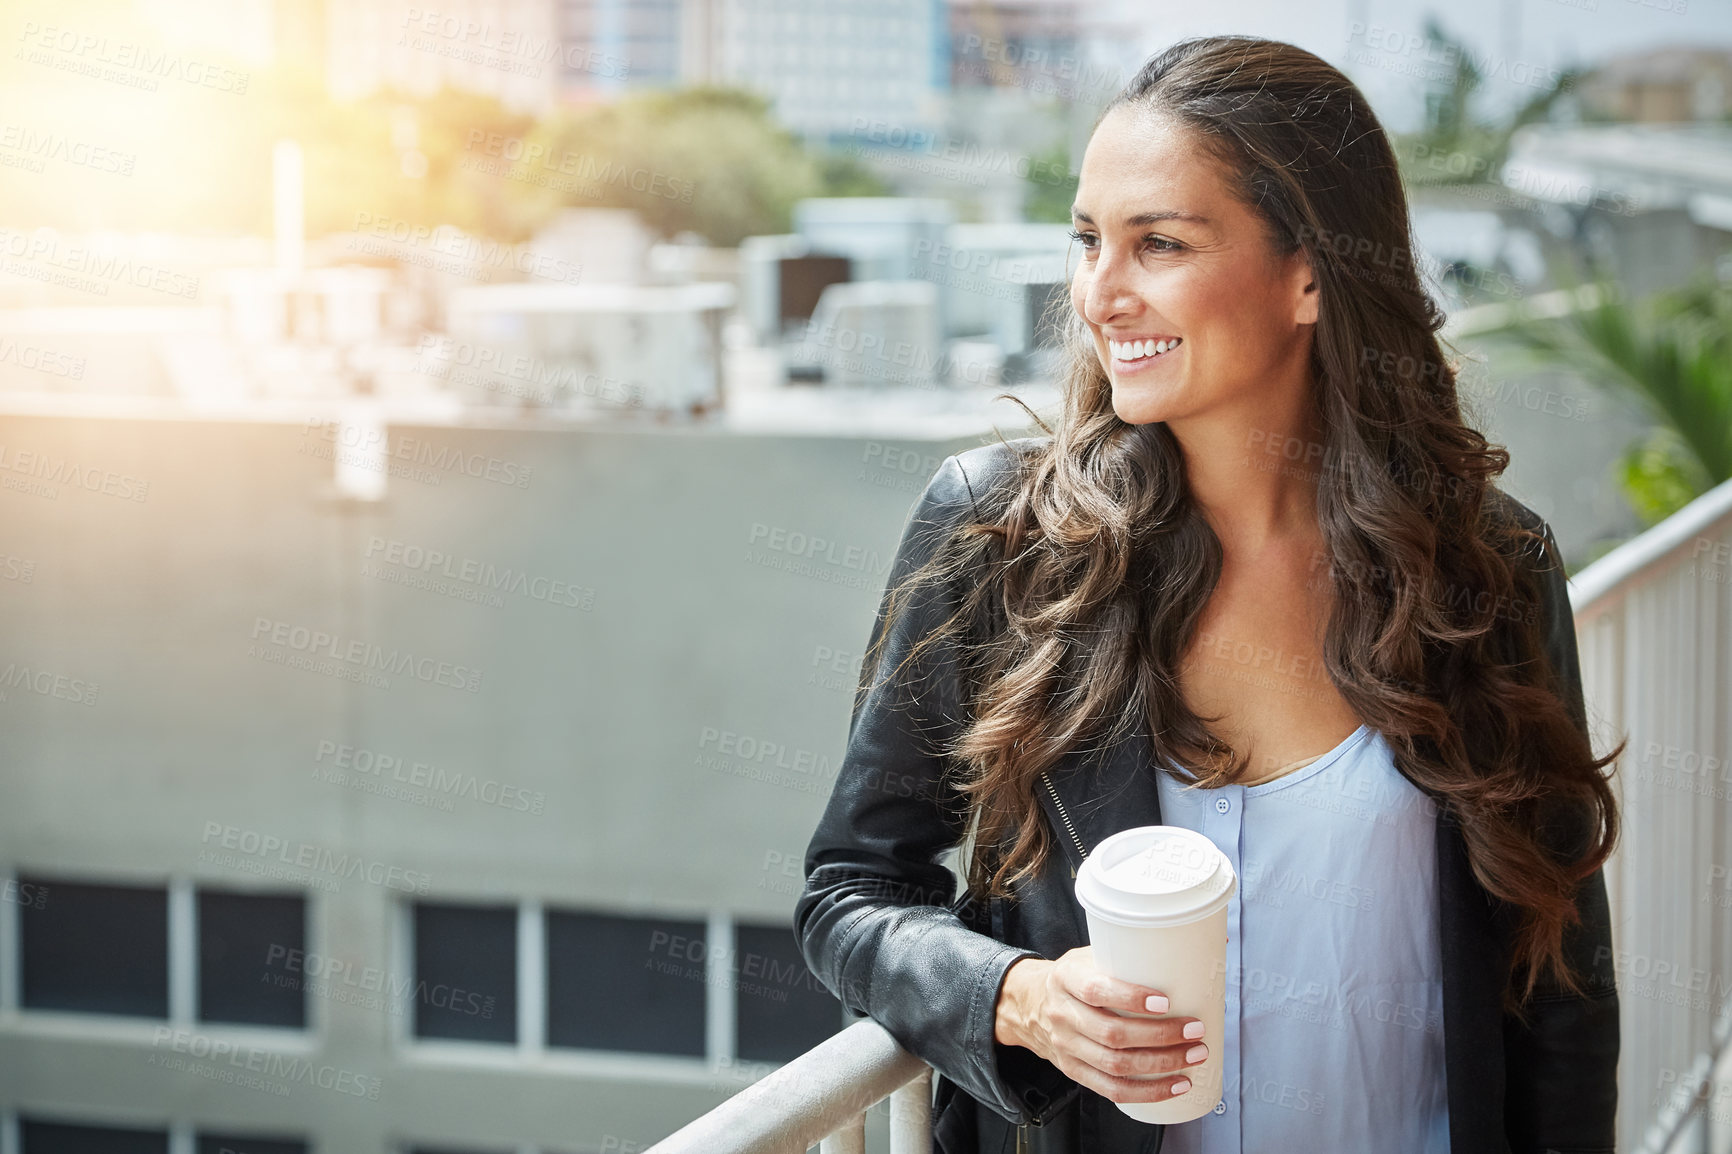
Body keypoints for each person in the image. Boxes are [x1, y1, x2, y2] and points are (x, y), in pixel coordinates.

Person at [795, 34, 1622, 1154]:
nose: (1099, 292)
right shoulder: (997, 538)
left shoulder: (1486, 568)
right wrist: (1013, 994)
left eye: (1160, 243)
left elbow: (1558, 971)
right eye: (1088, 240)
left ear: (1311, 271)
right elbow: (849, 890)